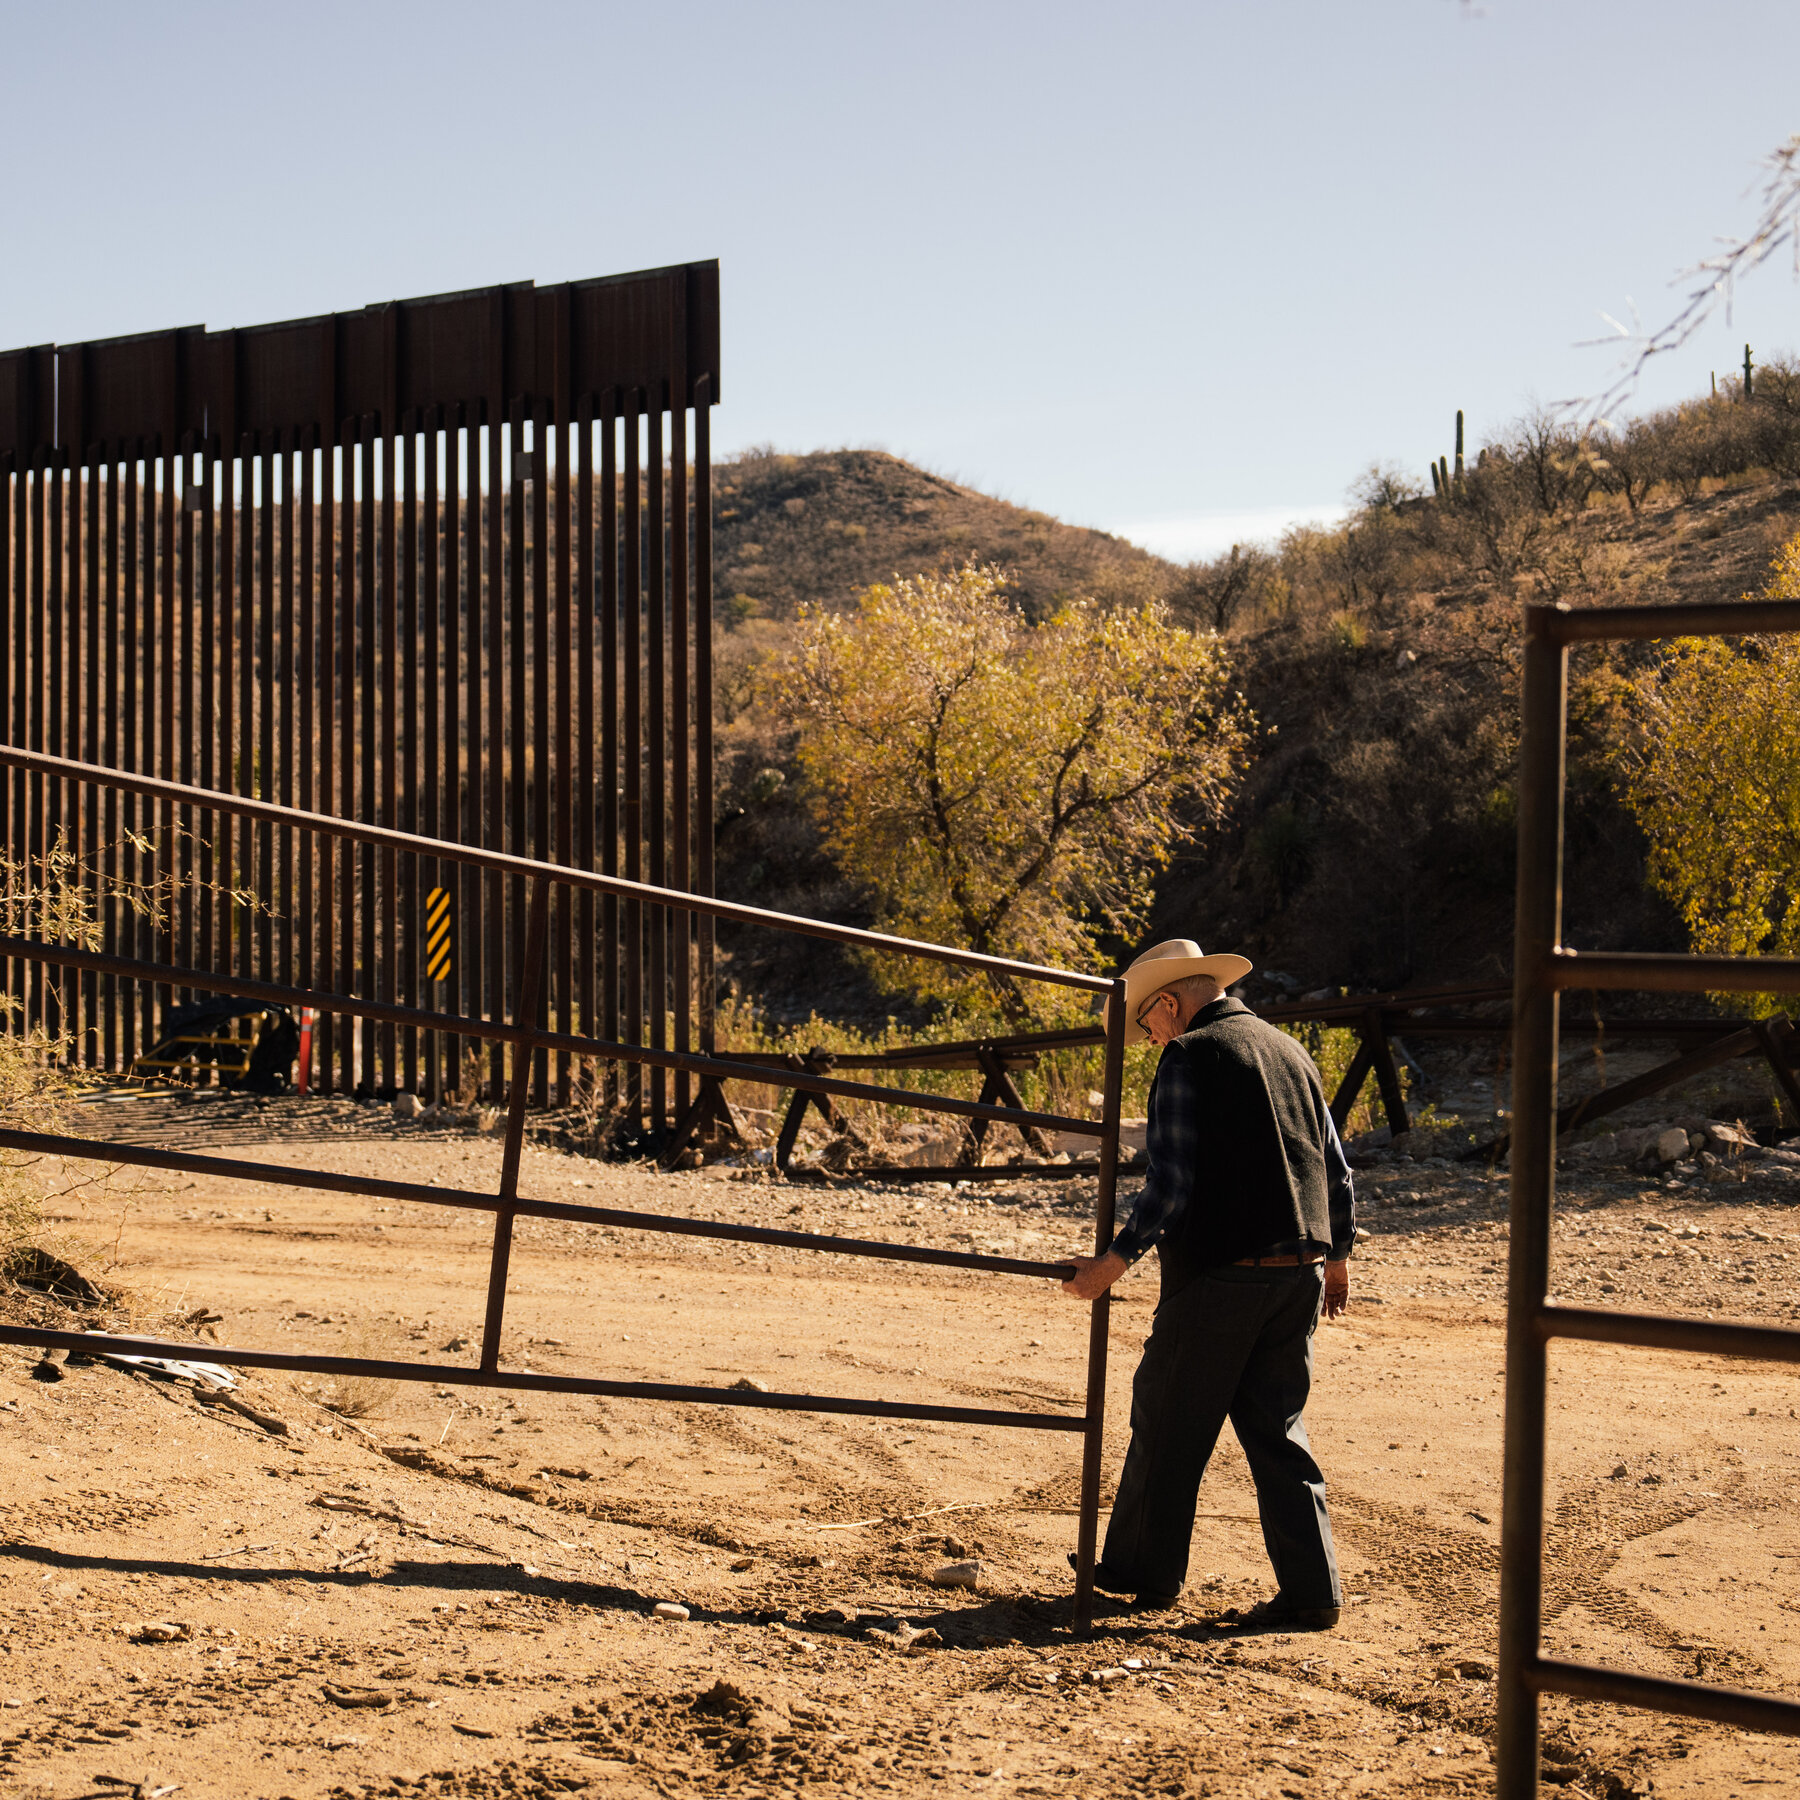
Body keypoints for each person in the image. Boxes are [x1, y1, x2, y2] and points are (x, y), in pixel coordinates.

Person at [1062, 938, 1355, 1627]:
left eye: (1149, 1022)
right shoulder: (1291, 1052)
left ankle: (1141, 1572)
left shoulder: (1189, 1057)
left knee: (1166, 1419)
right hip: (1300, 1276)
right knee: (1278, 1431)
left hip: (1224, 1273)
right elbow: (1336, 1168)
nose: (1150, 1035)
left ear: (1169, 1002)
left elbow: (1173, 1182)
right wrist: (1337, 1255)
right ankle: (1314, 1591)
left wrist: (1113, 1261)